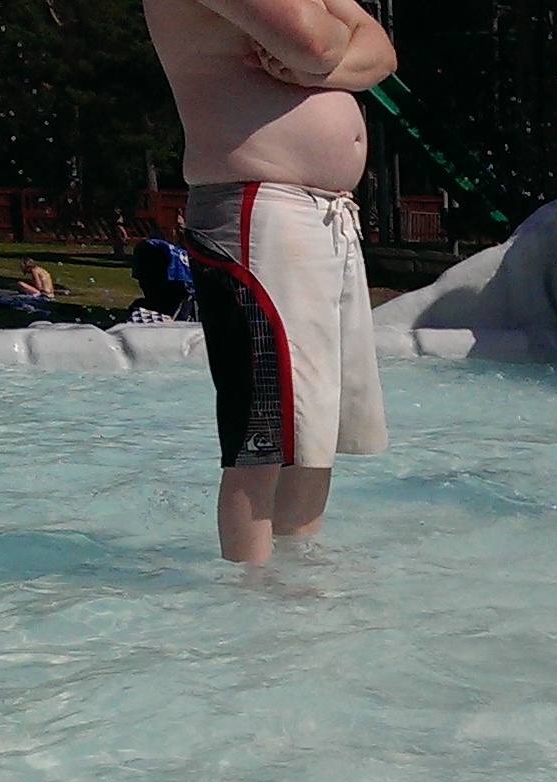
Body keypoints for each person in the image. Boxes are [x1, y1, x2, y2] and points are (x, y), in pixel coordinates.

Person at [144, 0, 395, 564]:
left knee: (313, 436)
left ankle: (296, 587)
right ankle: (251, 601)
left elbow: (381, 52)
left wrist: (321, 66)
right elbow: (314, 42)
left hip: (323, 212)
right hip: (259, 207)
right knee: (263, 440)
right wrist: (330, 51)